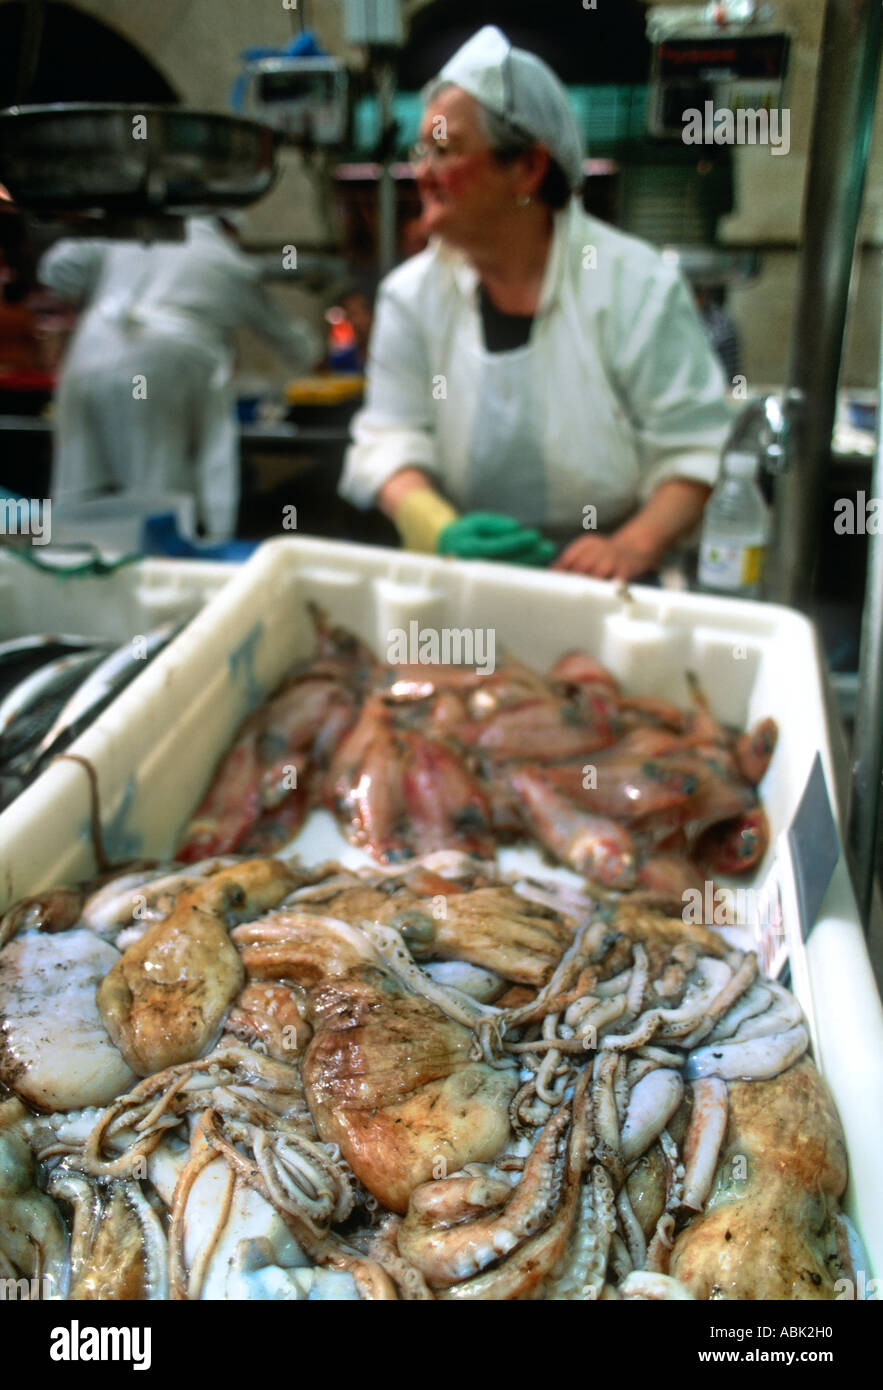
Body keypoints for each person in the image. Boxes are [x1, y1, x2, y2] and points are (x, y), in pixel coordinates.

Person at [339, 26, 733, 579]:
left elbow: (692, 448)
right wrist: (437, 526)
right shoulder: (411, 295)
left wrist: (631, 547)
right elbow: (388, 437)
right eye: (420, 150)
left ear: (526, 168)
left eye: (445, 151)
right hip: (461, 570)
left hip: (607, 578)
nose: (421, 172)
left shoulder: (633, 283)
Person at [39, 215, 320, 540]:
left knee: (78, 483)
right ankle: (158, 571)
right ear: (229, 228)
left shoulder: (136, 235)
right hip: (160, 364)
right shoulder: (226, 259)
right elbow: (293, 345)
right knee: (155, 489)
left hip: (88, 352)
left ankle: (65, 566)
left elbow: (56, 268)